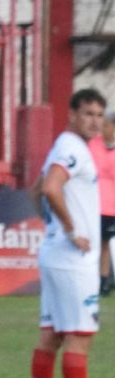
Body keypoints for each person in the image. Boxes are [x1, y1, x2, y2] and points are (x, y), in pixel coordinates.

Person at [28, 88, 115, 378]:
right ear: (72, 115)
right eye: (88, 113)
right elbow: (50, 189)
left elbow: (36, 190)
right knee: (80, 338)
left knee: (51, 337)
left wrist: (51, 227)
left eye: (99, 114)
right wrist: (69, 229)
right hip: (72, 260)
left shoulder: (66, 146)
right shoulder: (73, 148)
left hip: (55, 255)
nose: (95, 120)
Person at [87, 110, 115, 296]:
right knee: (94, 243)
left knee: (105, 243)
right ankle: (94, 280)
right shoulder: (92, 145)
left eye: (107, 125)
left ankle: (104, 281)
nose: (104, 129)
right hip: (92, 203)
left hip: (112, 205)